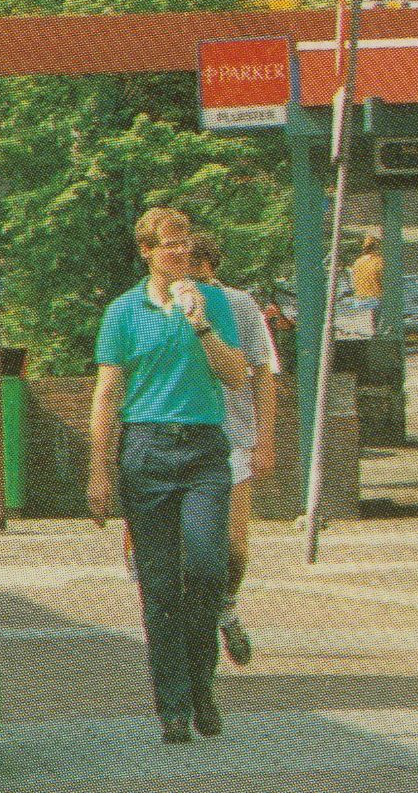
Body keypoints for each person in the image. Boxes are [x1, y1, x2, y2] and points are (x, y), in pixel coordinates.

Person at [88, 207, 248, 744]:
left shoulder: (212, 303)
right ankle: (173, 704)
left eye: (186, 244)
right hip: (147, 448)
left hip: (203, 448)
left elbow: (237, 375)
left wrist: (200, 323)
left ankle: (201, 681)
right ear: (147, 252)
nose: (180, 254)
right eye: (169, 246)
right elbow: (107, 393)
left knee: (206, 567)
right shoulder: (124, 312)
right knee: (158, 585)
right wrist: (100, 471)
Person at [186, 232, 278, 668]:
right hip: (181, 437)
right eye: (187, 262)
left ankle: (227, 605)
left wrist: (265, 438)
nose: (194, 271)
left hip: (234, 438)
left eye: (202, 263)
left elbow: (263, 371)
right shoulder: (163, 305)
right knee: (189, 549)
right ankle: (188, 635)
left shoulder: (238, 306)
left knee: (234, 548)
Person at [349, 235, 383, 305]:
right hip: (375, 300)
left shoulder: (357, 262)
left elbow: (353, 282)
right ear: (377, 247)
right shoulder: (380, 261)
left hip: (359, 300)